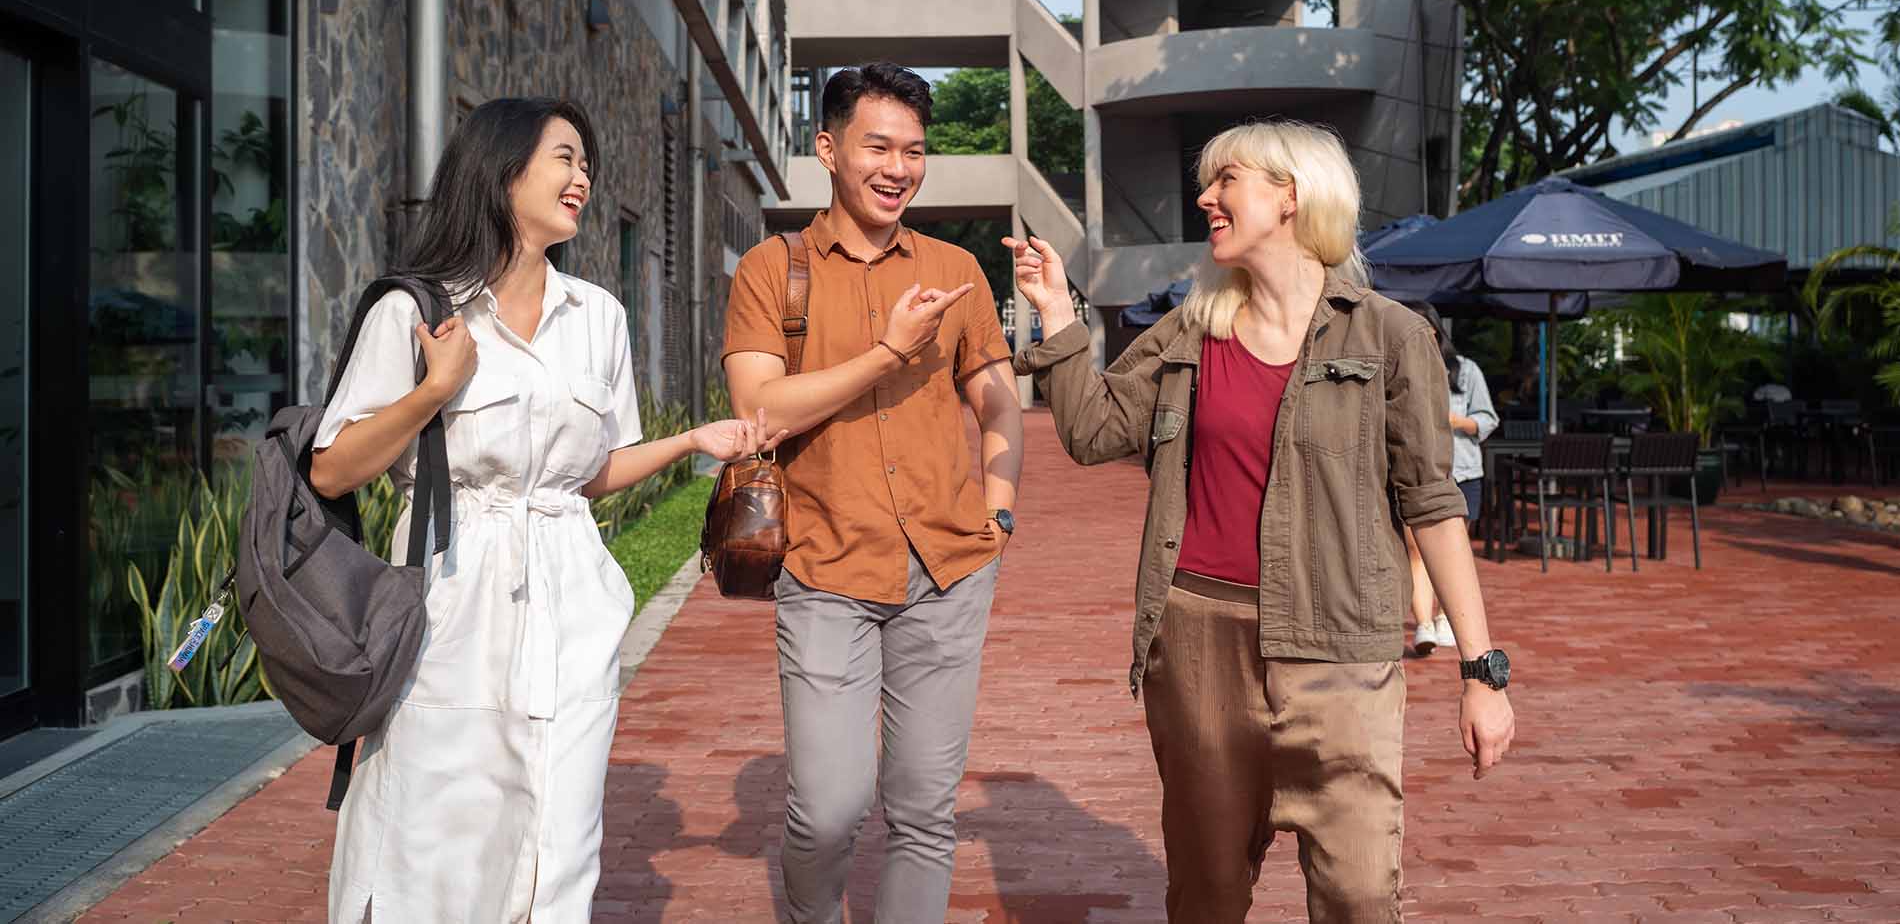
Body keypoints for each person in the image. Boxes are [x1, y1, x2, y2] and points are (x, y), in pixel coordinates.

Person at [1007, 119, 1515, 923]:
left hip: (1342, 650)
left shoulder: (1390, 335)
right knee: (1206, 898)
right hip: (1200, 650)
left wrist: (1481, 670)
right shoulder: (1189, 330)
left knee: (1358, 896)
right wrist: (1055, 314)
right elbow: (1093, 431)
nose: (1205, 197)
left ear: (1290, 196)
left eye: (1226, 179)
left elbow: (1434, 504)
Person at [310, 98, 781, 922]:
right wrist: (433, 389)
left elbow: (588, 473)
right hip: (453, 596)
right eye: (564, 157)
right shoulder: (417, 309)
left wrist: (690, 441)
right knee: (434, 828)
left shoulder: (597, 314)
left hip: (571, 596)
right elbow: (333, 468)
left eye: (586, 163)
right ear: (501, 172)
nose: (583, 178)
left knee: (558, 833)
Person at [723, 63, 1023, 924]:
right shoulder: (770, 269)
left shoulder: (954, 266)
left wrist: (998, 508)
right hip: (823, 570)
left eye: (915, 151)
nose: (899, 167)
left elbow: (997, 395)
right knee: (827, 809)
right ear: (828, 148)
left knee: (926, 813)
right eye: (878, 146)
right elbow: (759, 411)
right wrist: (890, 353)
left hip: (951, 567)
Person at [1398, 302, 1498, 656]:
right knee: (1415, 550)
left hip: (1462, 471)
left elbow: (1486, 420)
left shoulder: (1466, 371)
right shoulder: (1395, 368)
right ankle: (1424, 624)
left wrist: (1452, 420)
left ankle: (1443, 618)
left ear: (1437, 333)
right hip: (1415, 474)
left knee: (1451, 549)